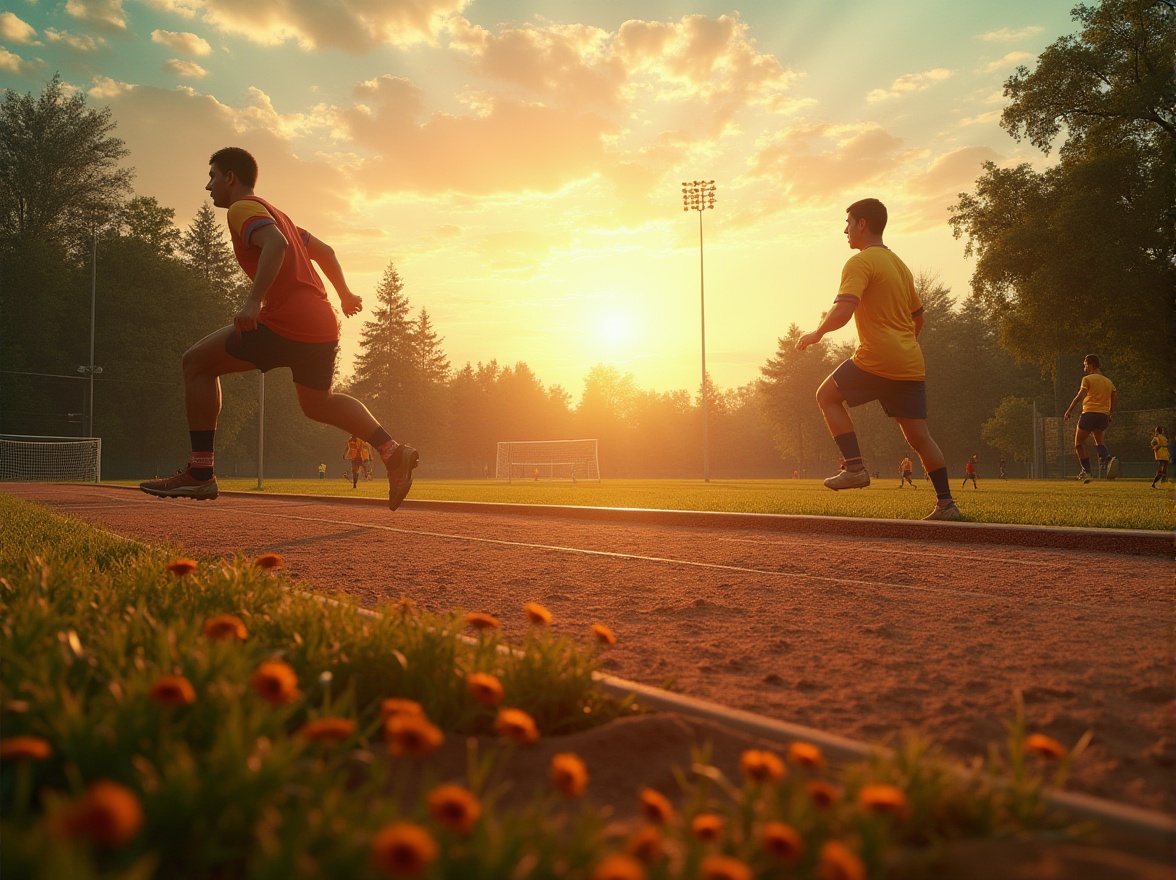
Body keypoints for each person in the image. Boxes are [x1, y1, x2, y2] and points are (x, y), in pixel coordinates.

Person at [139, 147, 418, 508]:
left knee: (196, 363)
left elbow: (275, 244)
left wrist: (254, 301)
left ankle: (200, 473)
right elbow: (327, 251)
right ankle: (392, 451)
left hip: (288, 320)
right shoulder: (278, 214)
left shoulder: (243, 208)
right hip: (322, 321)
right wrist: (345, 294)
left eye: (212, 177)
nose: (208, 187)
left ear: (230, 178)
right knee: (319, 403)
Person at [796, 198, 960, 521]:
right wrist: (903, 345)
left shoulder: (860, 263)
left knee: (826, 395)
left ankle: (855, 467)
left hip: (877, 358)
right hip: (911, 362)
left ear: (862, 225)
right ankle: (947, 504)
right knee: (919, 437)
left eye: (848, 223)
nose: (844, 230)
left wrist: (816, 334)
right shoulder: (900, 265)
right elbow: (919, 317)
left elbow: (844, 310)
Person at [1063, 354, 1118, 483]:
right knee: (1099, 441)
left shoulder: (1087, 379)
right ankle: (1108, 459)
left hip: (1089, 413)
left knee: (1078, 443)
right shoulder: (1108, 381)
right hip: (1103, 415)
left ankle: (1087, 472)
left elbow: (1080, 396)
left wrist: (1069, 410)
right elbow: (1114, 396)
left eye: (1085, 365)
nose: (1084, 368)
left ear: (1091, 365)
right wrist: (1110, 413)